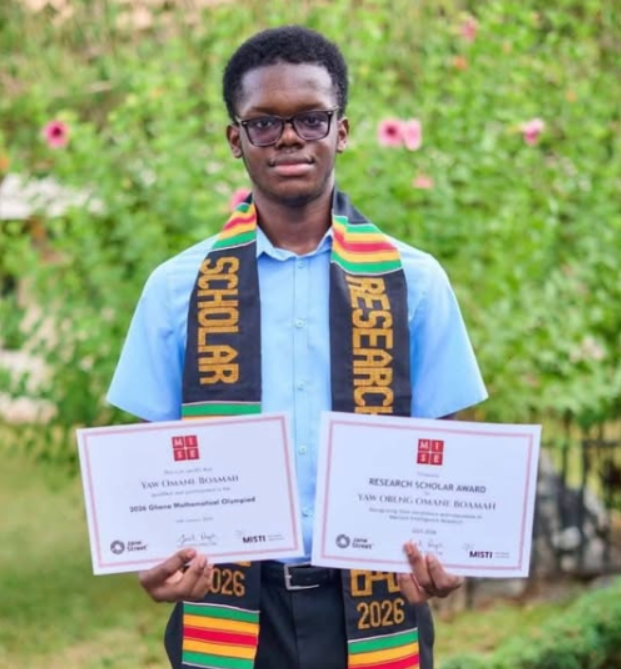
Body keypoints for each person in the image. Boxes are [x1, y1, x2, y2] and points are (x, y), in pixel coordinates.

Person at [107, 25, 487, 669]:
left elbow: (447, 447)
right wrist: (151, 552)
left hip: (375, 604)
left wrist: (446, 548)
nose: (289, 138)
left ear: (342, 130)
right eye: (263, 123)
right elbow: (154, 463)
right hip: (228, 606)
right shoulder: (179, 288)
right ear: (235, 139)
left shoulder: (414, 282)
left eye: (311, 118)